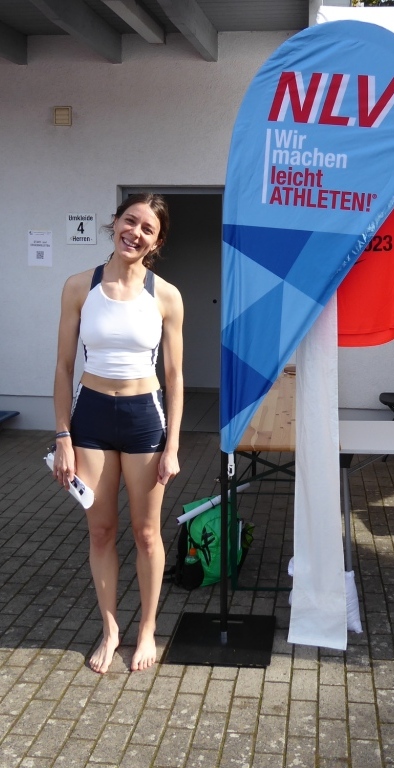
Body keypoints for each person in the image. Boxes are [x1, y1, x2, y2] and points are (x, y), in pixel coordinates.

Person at [52, 193, 183, 674]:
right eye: (131, 221)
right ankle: (111, 629)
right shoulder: (78, 286)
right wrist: (62, 437)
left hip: (144, 417)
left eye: (148, 229)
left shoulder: (166, 295)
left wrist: (173, 445)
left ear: (157, 242)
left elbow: (176, 376)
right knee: (101, 529)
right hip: (90, 418)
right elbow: (64, 366)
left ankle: (147, 628)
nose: (136, 233)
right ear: (115, 222)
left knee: (146, 533)